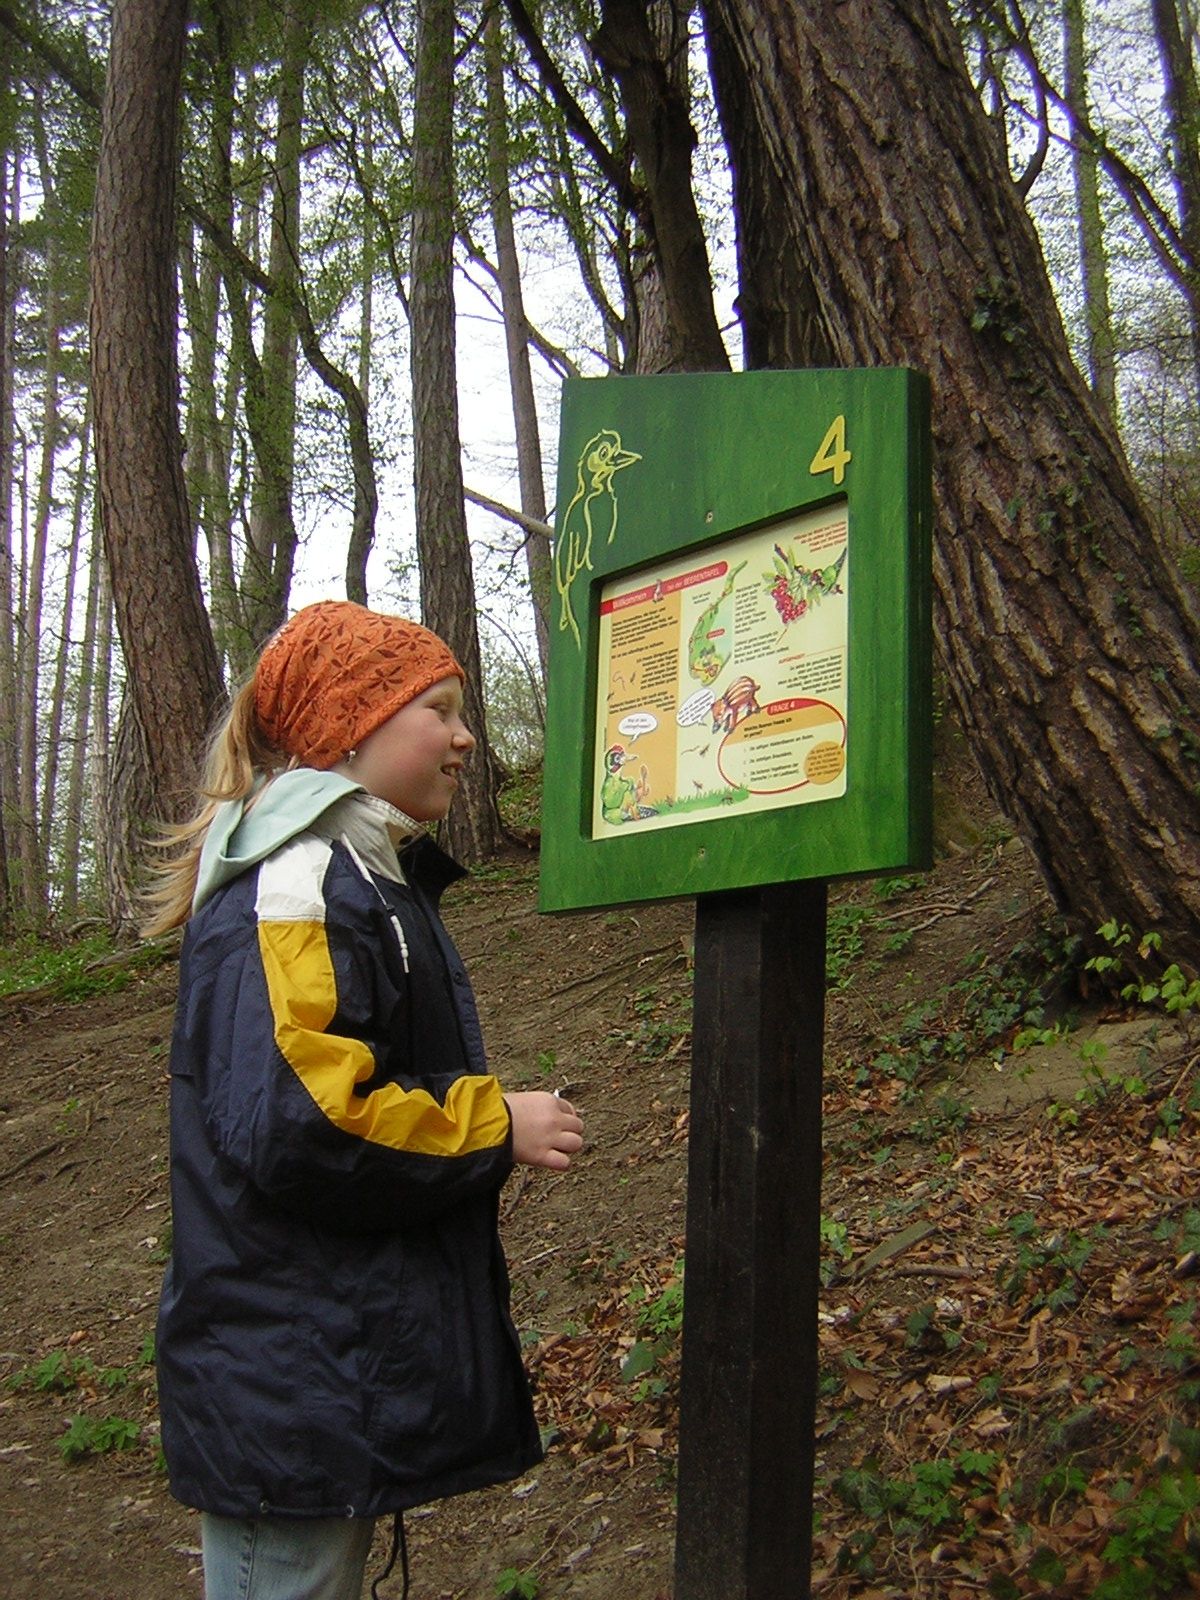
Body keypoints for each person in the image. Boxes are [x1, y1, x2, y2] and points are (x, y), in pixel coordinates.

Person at [145, 600, 585, 1600]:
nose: (466, 737)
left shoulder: (359, 872)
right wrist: (492, 1122)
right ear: (353, 724)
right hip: (286, 1374)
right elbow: (305, 1118)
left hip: (314, 1362)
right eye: (439, 709)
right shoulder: (300, 880)